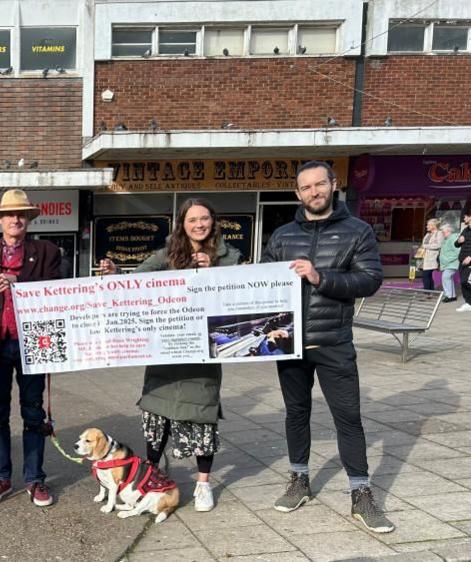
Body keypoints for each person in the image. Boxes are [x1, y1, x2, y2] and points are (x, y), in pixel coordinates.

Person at [261, 160, 394, 533]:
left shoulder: (358, 231)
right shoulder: (283, 234)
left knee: (348, 418)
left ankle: (361, 493)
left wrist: (321, 278)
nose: (314, 192)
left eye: (320, 184)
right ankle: (299, 480)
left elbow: (369, 280)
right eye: (306, 187)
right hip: (290, 342)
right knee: (296, 413)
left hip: (333, 341)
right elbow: (264, 280)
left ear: (334, 185)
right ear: (297, 193)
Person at [131, 198, 240, 512]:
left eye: (204, 218)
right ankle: (152, 477)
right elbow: (138, 279)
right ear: (183, 224)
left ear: (213, 221)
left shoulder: (229, 257)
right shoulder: (167, 254)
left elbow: (237, 297)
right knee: (157, 413)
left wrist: (212, 273)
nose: (199, 225)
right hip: (167, 346)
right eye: (192, 220)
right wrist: (114, 275)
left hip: (203, 351)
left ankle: (203, 485)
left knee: (202, 415)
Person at [0, 189, 62, 507]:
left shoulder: (47, 252)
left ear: (29, 219)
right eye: (10, 214)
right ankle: (1, 477)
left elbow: (56, 292)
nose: (16, 219)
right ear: (0, 220)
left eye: (21, 214)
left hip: (33, 342)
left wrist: (17, 284)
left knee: (33, 413)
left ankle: (35, 479)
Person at [417, 218, 443, 291]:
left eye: (428, 225)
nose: (426, 226)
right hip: (425, 257)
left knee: (426, 275)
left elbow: (439, 245)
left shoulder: (439, 233)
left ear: (434, 225)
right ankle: (431, 292)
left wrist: (425, 246)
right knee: (428, 275)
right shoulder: (428, 234)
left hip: (433, 258)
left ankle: (427, 292)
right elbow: (423, 244)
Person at [455, 208, 471, 312]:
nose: (464, 218)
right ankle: (468, 303)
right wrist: (459, 241)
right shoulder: (465, 230)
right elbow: (456, 244)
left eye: (465, 216)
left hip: (470, 260)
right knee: (462, 282)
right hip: (462, 260)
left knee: (466, 281)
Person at [439, 223, 460, 303]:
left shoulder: (452, 238)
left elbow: (458, 251)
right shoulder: (447, 239)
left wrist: (447, 259)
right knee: (448, 278)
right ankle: (452, 295)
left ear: (448, 231)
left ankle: (449, 295)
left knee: (446, 277)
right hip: (448, 263)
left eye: (443, 232)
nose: (442, 233)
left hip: (452, 263)